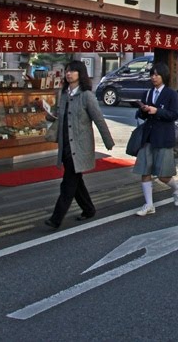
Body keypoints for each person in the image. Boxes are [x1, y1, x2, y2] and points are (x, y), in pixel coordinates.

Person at [41, 60, 115, 229]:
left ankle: (56, 218)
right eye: (67, 71)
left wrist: (108, 141)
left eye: (73, 71)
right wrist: (49, 115)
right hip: (66, 145)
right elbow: (61, 117)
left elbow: (99, 119)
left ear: (80, 74)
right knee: (76, 181)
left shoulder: (86, 95)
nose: (69, 74)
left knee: (68, 183)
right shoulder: (64, 94)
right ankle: (88, 209)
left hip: (80, 147)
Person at [132, 61, 178, 215]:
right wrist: (143, 110)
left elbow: (174, 115)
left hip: (163, 137)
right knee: (145, 171)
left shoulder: (171, 94)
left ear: (164, 77)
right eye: (152, 75)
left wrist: (157, 111)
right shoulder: (147, 93)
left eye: (157, 75)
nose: (153, 78)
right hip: (148, 136)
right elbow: (142, 115)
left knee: (163, 175)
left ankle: (177, 187)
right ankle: (149, 205)